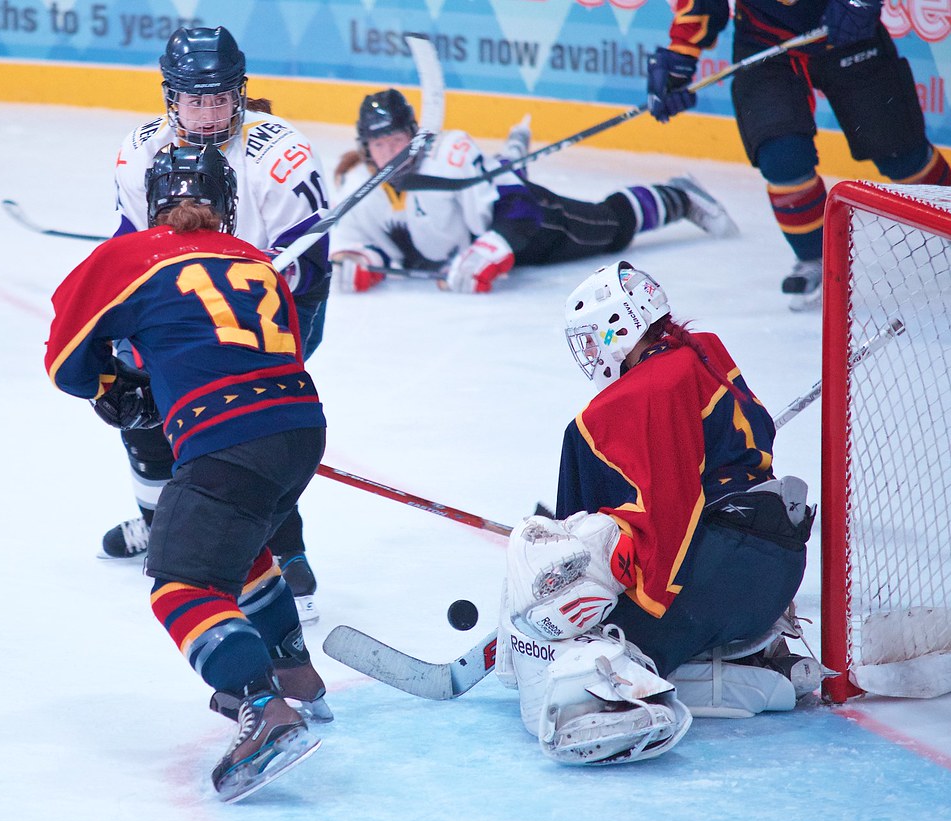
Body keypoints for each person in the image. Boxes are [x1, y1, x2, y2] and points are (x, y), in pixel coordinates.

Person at [45, 144, 330, 802]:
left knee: (181, 583)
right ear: (227, 204)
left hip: (226, 438)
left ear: (152, 203)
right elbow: (283, 344)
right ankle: (296, 673)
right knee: (243, 550)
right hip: (302, 428)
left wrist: (111, 385)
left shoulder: (127, 255)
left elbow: (66, 361)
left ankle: (263, 709)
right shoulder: (254, 259)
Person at [494, 261, 820, 765]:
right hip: (775, 574)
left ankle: (611, 699)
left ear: (619, 325)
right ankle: (752, 665)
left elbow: (668, 514)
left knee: (568, 613)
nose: (591, 353)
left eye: (592, 338)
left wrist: (594, 606)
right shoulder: (703, 351)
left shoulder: (645, 390)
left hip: (718, 570)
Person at [104, 26, 328, 624]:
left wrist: (247, 285)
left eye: (220, 99)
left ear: (239, 94)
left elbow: (308, 270)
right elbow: (129, 246)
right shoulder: (141, 150)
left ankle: (285, 551)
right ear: (171, 97)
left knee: (244, 427)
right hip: (183, 303)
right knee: (141, 398)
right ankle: (160, 521)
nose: (208, 113)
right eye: (195, 99)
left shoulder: (279, 155)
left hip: (270, 309)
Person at [646, 0, 951, 310]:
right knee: (782, 156)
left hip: (844, 30)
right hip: (765, 37)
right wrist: (681, 52)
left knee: (902, 156)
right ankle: (816, 258)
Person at [328, 89, 739, 294]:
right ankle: (512, 152)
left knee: (608, 226)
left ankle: (678, 195)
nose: (390, 152)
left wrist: (494, 246)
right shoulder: (357, 185)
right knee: (504, 167)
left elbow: (518, 205)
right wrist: (358, 259)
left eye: (397, 140)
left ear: (414, 135)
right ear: (365, 148)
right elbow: (366, 243)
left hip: (534, 226)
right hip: (480, 242)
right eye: (379, 145)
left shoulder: (448, 153)